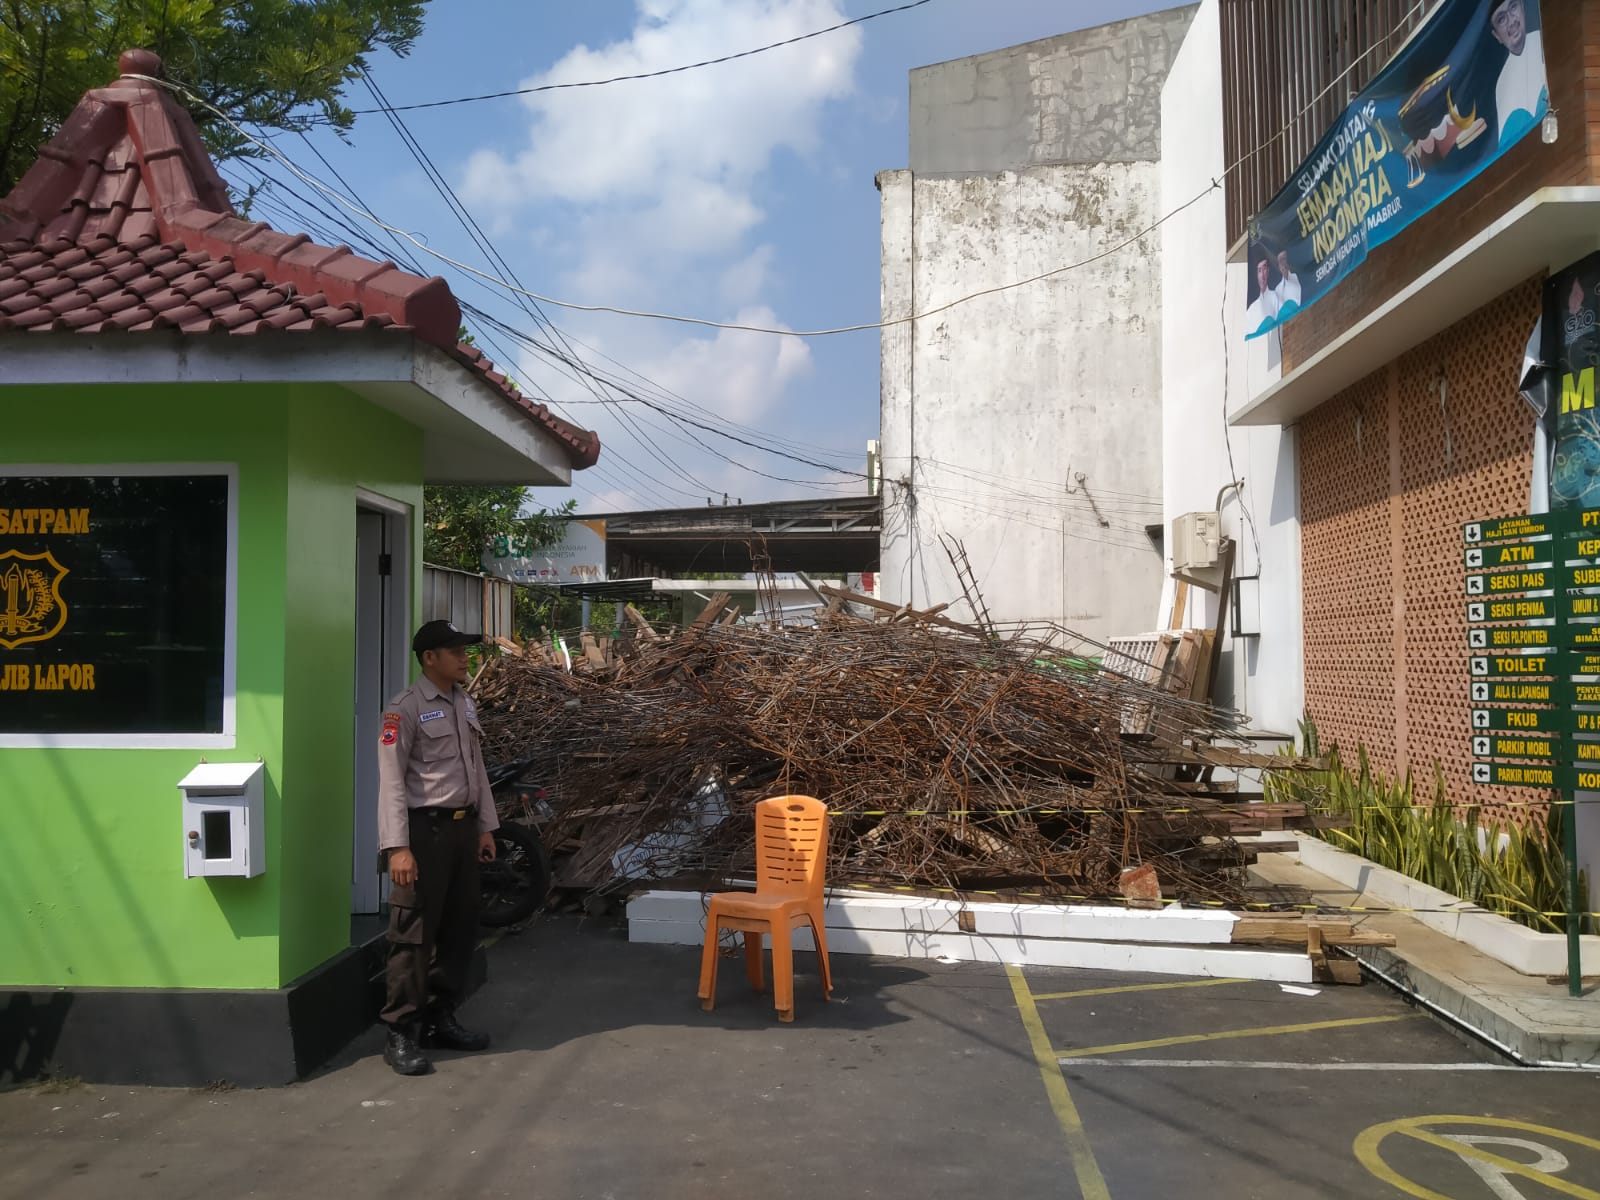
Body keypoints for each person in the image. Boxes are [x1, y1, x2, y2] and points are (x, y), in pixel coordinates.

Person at [376, 619, 501, 1076]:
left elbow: (477, 768)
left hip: (462, 832)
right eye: (455, 650)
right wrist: (396, 848)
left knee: (460, 926)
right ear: (430, 658)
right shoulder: (403, 710)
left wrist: (485, 826)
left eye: (464, 650)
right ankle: (401, 1032)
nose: (464, 657)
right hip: (423, 835)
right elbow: (391, 782)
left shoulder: (463, 702)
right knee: (413, 933)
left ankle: (441, 1017)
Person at [1489, 0, 1547, 147]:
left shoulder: (1543, 42)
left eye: (1513, 7)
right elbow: (1508, 142)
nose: (1511, 21)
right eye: (1502, 19)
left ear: (1523, 7)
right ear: (1497, 36)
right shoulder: (1501, 85)